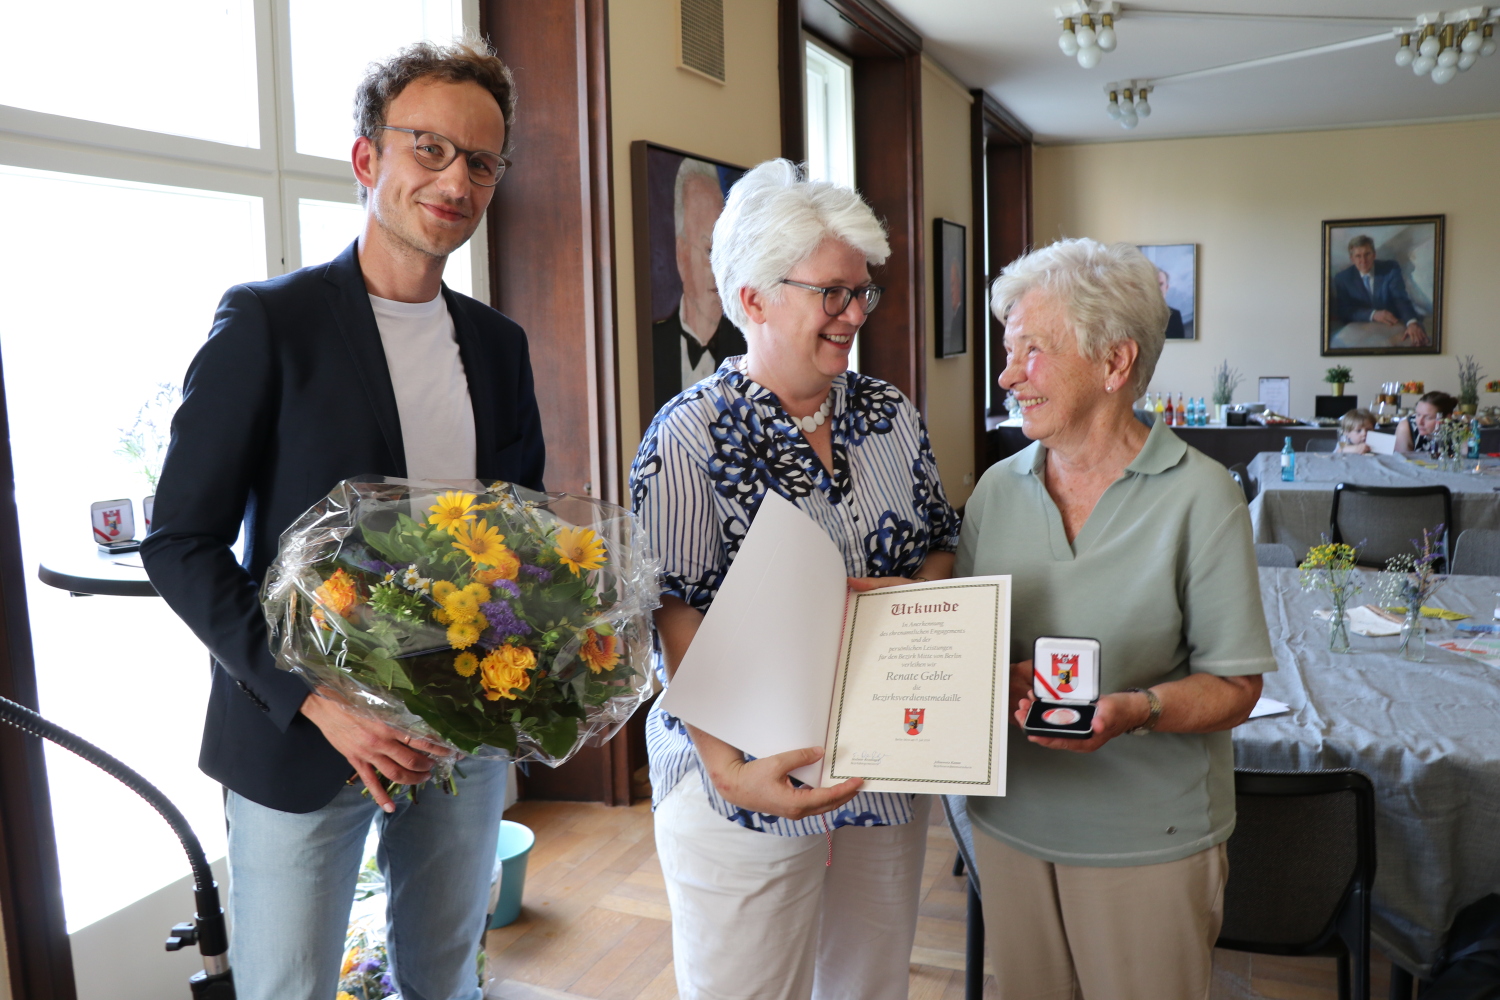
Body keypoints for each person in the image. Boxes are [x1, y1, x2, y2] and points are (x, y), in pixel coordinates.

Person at [140, 40, 544, 1000]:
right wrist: (320, 702)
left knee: (446, 974)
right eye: (431, 148)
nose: (457, 180)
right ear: (368, 160)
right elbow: (180, 542)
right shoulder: (269, 325)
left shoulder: (498, 345)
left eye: (482, 161)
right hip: (299, 733)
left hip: (461, 733)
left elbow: (520, 536)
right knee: (288, 986)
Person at [629, 158, 961, 1000]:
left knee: (868, 985)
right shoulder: (688, 435)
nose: (854, 315)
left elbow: (937, 543)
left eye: (862, 292)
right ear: (753, 299)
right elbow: (670, 611)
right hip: (740, 777)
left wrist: (910, 619)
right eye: (833, 294)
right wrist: (730, 764)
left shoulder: (888, 414)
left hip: (881, 766)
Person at [956, 238, 1273, 999]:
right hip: (1009, 830)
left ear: (1114, 363)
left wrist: (1138, 709)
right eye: (1009, 351)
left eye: (1032, 352)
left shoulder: (1203, 496)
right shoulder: (996, 492)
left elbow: (1235, 685)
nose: (1007, 376)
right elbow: (964, 649)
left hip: (1148, 842)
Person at [651, 157, 748, 411]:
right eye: (709, 251)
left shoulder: (751, 350)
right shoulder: (650, 349)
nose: (720, 271)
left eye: (724, 253)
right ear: (681, 255)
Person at [1332, 234, 1429, 347]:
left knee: (1416, 341)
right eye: (1358, 256)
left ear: (1374, 254)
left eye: (1367, 254)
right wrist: (1373, 314)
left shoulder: (1390, 269)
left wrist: (1411, 323)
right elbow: (1344, 310)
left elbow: (1400, 299)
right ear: (1352, 259)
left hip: (1393, 326)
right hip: (1360, 329)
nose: (1363, 260)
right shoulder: (1342, 278)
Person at [1156, 266, 1186, 339]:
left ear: (1166, 287)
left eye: (1161, 284)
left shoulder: (1175, 316)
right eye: (1153, 284)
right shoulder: (1138, 316)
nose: (1157, 288)